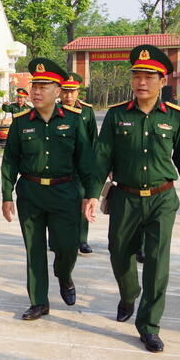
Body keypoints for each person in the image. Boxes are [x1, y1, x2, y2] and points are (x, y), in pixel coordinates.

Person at [89, 45, 180, 353]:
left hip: (162, 199)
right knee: (118, 252)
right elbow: (101, 158)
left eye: (149, 77)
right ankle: (129, 294)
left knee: (157, 262)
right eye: (137, 76)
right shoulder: (116, 116)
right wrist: (90, 194)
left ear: (162, 81)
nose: (142, 82)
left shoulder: (176, 118)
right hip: (125, 198)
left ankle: (149, 325)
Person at [0, 58, 98, 321]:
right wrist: (7, 195)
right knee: (34, 249)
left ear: (58, 91)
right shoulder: (21, 123)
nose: (37, 91)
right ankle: (39, 301)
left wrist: (91, 194)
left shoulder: (75, 121)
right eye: (35, 85)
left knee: (66, 248)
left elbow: (87, 161)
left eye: (44, 86)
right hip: (30, 193)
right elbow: (9, 160)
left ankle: (64, 275)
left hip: (65, 192)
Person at [59, 73, 98, 254]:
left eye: (72, 92)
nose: (68, 96)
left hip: (81, 167)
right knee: (61, 204)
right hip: (61, 166)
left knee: (84, 202)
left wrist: (93, 166)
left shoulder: (87, 111)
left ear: (78, 92)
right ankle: (59, 238)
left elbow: (92, 140)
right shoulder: (53, 109)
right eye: (65, 91)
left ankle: (82, 240)